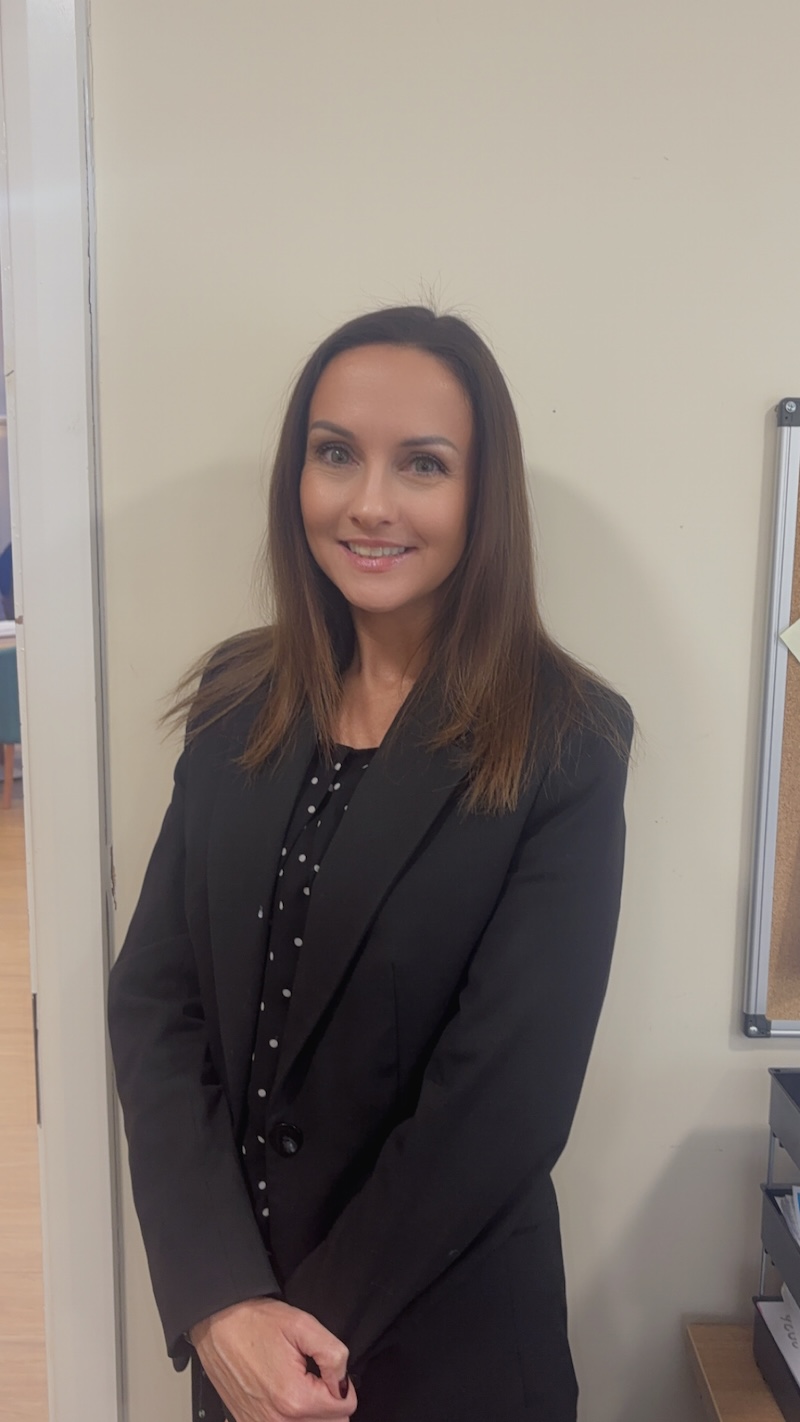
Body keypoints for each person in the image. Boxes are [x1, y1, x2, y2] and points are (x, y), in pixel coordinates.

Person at [107, 305, 634, 1422]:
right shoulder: (235, 697)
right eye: (334, 452)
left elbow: (504, 1097)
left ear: (481, 497)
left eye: (423, 465)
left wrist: (295, 1338)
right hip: (239, 1340)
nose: (369, 502)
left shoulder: (565, 739)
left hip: (443, 1353)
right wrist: (219, 1303)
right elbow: (156, 1002)